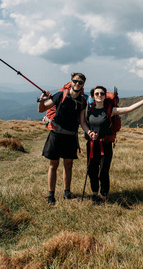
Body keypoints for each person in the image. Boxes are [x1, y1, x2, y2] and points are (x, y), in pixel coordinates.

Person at [86, 86, 143, 204]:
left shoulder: (110, 110)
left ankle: (103, 196)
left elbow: (129, 109)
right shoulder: (89, 110)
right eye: (97, 93)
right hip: (92, 144)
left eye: (102, 93)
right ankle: (94, 193)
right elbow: (83, 123)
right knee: (92, 170)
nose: (99, 95)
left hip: (106, 144)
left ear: (104, 96)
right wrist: (89, 133)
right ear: (93, 96)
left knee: (103, 171)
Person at [38, 73, 97, 204]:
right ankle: (51, 195)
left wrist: (89, 132)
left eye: (80, 82)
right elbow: (42, 110)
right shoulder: (61, 95)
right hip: (56, 134)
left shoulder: (82, 101)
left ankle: (67, 192)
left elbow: (82, 121)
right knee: (53, 165)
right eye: (75, 81)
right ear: (71, 82)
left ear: (83, 85)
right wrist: (42, 99)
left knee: (68, 165)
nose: (77, 83)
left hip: (70, 136)